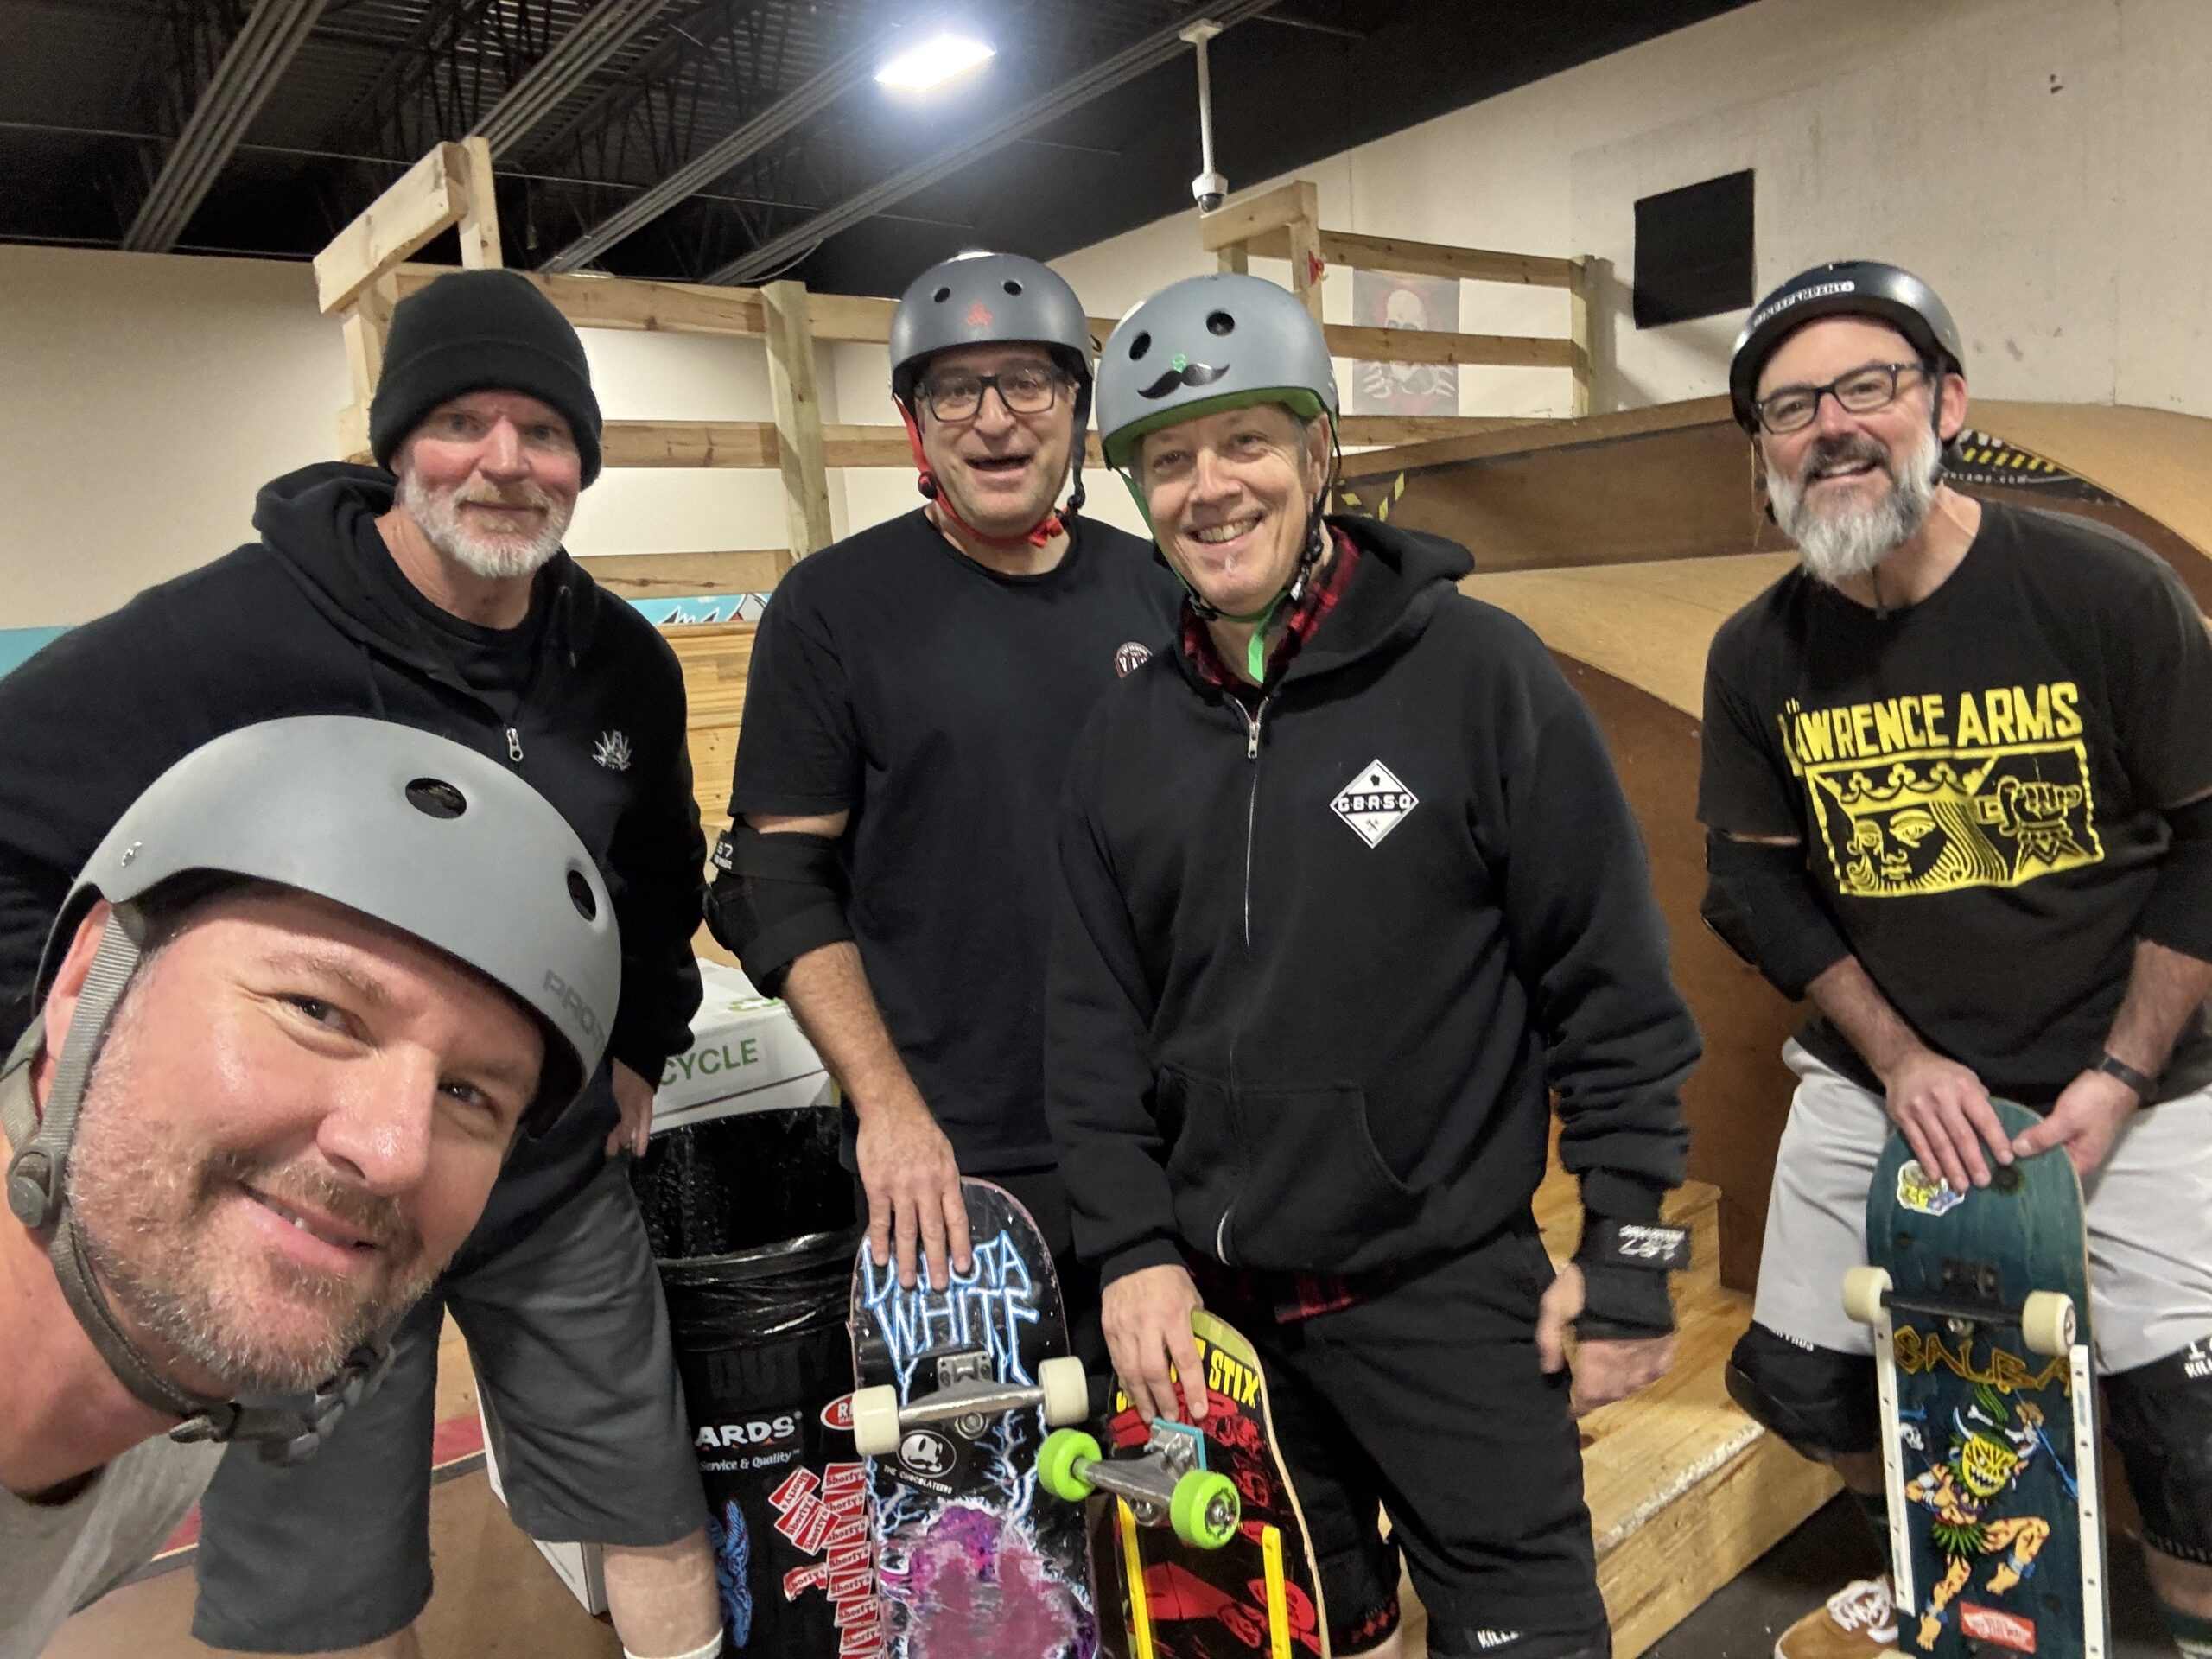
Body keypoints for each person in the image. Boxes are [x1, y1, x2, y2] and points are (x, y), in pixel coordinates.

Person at [0, 270, 722, 1659]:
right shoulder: (234, 635)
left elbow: (657, 866)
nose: (505, 461)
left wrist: (642, 1037)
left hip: (546, 1181)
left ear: (582, 463)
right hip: (311, 1197)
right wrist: (59, 1061)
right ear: (396, 446)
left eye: (545, 430)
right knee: (323, 1587)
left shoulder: (622, 662)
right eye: (462, 421)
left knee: (649, 1492)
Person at [1045, 271, 1703, 1659]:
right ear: (1134, 491)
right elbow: (1094, 1028)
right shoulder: (1122, 738)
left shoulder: (1480, 677)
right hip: (1220, 1327)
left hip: (1446, 1291)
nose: (1210, 489)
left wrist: (1633, 1246)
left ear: (1321, 454)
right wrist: (1132, 1252)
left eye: (1246, 443)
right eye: (1168, 459)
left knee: (1524, 1637)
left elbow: (1613, 987)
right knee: (1295, 1640)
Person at [1700, 260, 2212, 1659]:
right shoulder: (1758, 654)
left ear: (1948, 403)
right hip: (1890, 1081)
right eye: (1792, 407)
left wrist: (2120, 1070)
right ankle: (1938, 1573)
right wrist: (1903, 1055)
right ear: (1763, 453)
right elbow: (1748, 880)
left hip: (2133, 1080)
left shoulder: (2105, 594)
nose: (1832, 427)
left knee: (2200, 1450)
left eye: (1868, 386)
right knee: (1806, 1382)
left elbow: (2209, 843)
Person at [2, 716, 620, 1659]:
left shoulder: (181, 1385)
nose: (393, 1151)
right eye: (319, 1012)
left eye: (467, 1094)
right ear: (89, 981)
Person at [708, 251, 1179, 1370]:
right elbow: (774, 882)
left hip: (1158, 1149)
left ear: (1076, 406)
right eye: (953, 390)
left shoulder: (1158, 588)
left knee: (1180, 1512)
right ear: (915, 421)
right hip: (947, 1171)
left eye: (1029, 381)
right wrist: (888, 1110)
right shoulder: (834, 609)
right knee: (982, 1541)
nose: (994, 418)